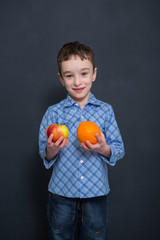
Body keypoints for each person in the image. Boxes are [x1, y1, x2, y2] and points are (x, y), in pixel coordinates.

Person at [39, 41, 125, 240]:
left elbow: (119, 148)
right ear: (61, 79)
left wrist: (104, 148)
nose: (77, 82)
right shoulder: (54, 113)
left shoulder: (105, 110)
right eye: (70, 76)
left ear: (94, 74)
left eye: (84, 74)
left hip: (96, 194)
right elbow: (44, 151)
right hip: (61, 193)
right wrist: (52, 149)